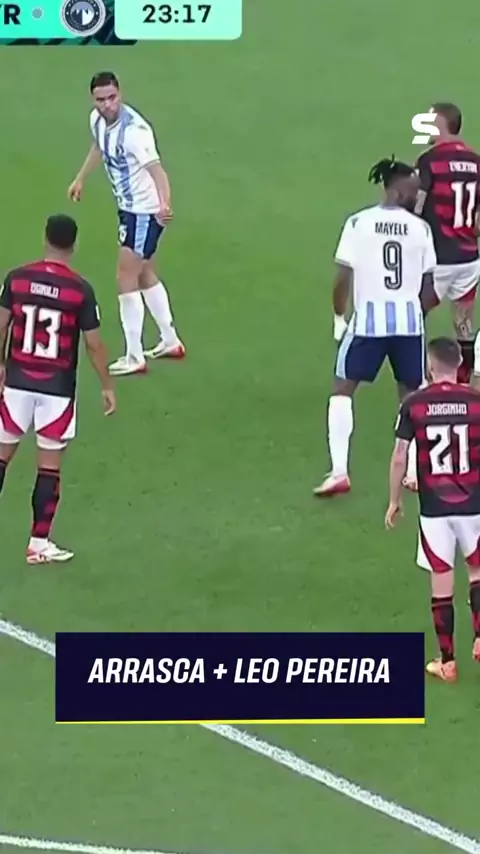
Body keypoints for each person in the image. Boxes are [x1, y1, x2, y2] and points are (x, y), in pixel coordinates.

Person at [313, 156, 437, 498]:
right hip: (409, 325)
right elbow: (430, 289)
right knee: (411, 395)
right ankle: (412, 471)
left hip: (368, 322)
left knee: (342, 389)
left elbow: (342, 278)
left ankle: (339, 471)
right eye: (412, 190)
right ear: (396, 190)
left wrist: (339, 317)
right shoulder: (420, 229)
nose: (416, 196)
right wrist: (417, 313)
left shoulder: (359, 223)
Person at [0, 215, 115, 564]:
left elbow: (1, 325)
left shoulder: (17, 279)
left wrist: (1, 365)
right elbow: (94, 345)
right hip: (57, 390)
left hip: (16, 383)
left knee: (1, 457)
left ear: (45, 238)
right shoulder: (80, 290)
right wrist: (107, 385)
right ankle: (38, 543)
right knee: (49, 468)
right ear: (74, 244)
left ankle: (40, 543)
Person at [67, 70, 184, 377]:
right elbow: (100, 147)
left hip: (143, 212)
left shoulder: (135, 132)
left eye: (112, 97)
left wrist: (165, 204)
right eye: (101, 99)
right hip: (128, 209)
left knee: (125, 276)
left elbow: (158, 171)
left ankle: (134, 355)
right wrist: (81, 178)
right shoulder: (97, 120)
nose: (107, 104)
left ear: (121, 94)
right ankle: (170, 340)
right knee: (143, 273)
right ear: (93, 99)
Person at [385, 337, 480, 682]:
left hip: (435, 508)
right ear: (459, 365)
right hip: (474, 503)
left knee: (441, 582)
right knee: (477, 572)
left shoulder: (414, 403)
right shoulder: (476, 401)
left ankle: (448, 661)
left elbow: (400, 455)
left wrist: (394, 500)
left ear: (429, 366)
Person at [415, 102, 480, 385]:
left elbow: (417, 210)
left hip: (437, 259)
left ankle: (420, 380)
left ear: (441, 123)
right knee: (464, 322)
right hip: (469, 259)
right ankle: (463, 382)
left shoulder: (429, 161)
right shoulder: (476, 162)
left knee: (415, 315)